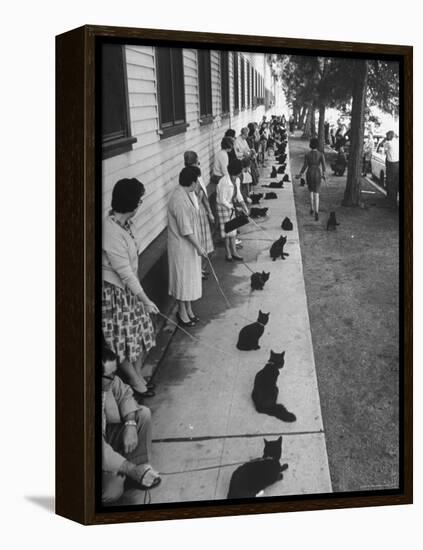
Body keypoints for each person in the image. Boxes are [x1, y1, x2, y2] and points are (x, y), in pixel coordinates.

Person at [102, 178, 159, 402]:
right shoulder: (110, 233)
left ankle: (139, 377)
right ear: (132, 203)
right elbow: (124, 272)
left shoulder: (125, 224)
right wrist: (145, 299)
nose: (141, 203)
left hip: (130, 290)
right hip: (116, 295)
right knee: (122, 340)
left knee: (139, 334)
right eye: (140, 199)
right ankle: (135, 382)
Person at [101, 344, 161, 505]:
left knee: (143, 413)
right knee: (111, 493)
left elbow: (126, 394)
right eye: (110, 375)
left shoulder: (109, 380)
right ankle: (132, 471)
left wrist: (130, 424)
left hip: (107, 434)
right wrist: (129, 469)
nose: (114, 378)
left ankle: (137, 470)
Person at [167, 166, 207, 327]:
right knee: (182, 280)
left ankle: (189, 309)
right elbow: (185, 229)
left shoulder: (187, 194)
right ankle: (182, 312)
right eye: (197, 181)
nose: (198, 184)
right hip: (181, 246)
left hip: (188, 246)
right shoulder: (178, 199)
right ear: (192, 182)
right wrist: (199, 247)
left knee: (189, 279)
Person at [184, 151, 215, 279]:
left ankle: (201, 268)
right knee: (198, 242)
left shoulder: (198, 176)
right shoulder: (187, 179)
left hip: (201, 212)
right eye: (197, 163)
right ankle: (198, 271)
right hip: (194, 215)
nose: (199, 165)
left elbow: (204, 197)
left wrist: (210, 212)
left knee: (204, 243)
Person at [216, 159, 249, 262]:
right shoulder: (224, 182)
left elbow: (238, 193)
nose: (240, 173)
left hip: (231, 205)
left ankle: (234, 252)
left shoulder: (237, 180)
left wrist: (244, 206)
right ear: (236, 171)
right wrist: (233, 208)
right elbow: (222, 200)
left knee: (233, 230)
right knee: (227, 230)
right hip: (223, 207)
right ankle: (228, 253)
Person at [296, 138, 326, 221]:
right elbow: (323, 166)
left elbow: (305, 165)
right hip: (317, 173)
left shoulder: (307, 154)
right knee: (317, 193)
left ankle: (312, 208)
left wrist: (300, 174)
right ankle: (317, 211)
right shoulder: (321, 154)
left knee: (311, 191)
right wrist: (323, 174)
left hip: (309, 172)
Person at [382, 130, 399, 206]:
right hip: (397, 163)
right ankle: (393, 199)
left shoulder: (387, 143)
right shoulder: (397, 142)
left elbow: (384, 151)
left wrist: (385, 140)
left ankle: (391, 200)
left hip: (391, 164)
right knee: (395, 182)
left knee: (390, 182)